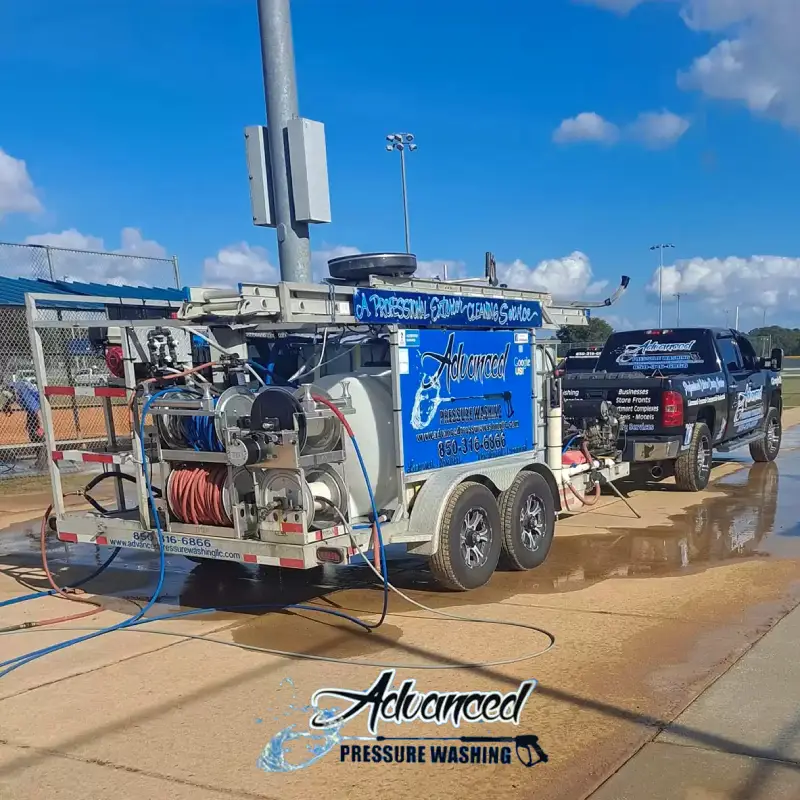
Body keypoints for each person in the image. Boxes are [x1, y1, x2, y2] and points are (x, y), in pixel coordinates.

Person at [2, 380, 46, 468]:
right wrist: (7, 405)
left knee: (36, 434)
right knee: (31, 430)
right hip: (33, 410)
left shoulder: (25, 395)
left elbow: (38, 411)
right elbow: (10, 396)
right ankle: (42, 460)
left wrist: (41, 427)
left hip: (42, 408)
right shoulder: (12, 387)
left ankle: (44, 462)